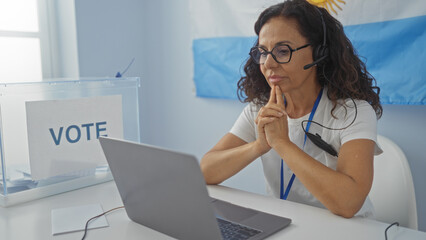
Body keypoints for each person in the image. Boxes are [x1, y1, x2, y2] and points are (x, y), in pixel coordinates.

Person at [200, 0, 383, 218]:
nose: (268, 63)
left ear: (319, 52)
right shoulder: (260, 109)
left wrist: (282, 144)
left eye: (282, 51)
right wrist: (259, 146)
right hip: (290, 227)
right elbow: (205, 171)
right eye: (263, 52)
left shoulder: (354, 112)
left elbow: (349, 203)